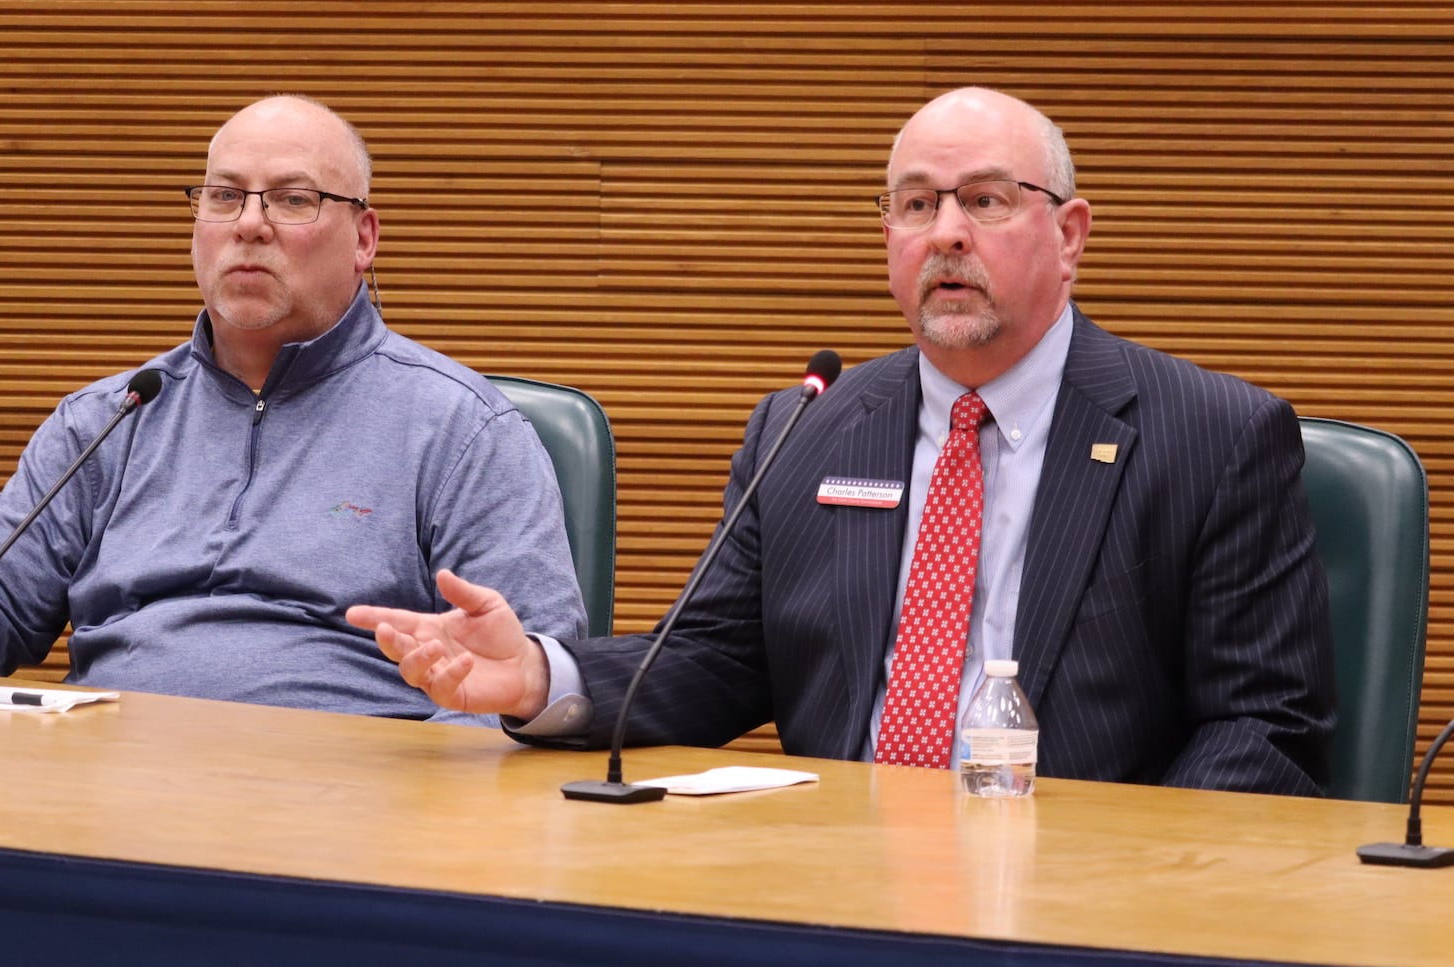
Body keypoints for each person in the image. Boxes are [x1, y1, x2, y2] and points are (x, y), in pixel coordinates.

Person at [347, 87, 1336, 793]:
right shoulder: (810, 426)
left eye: (985, 200)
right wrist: (538, 678)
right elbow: (718, 658)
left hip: (1082, 903)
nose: (946, 233)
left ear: (1069, 233)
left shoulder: (1213, 437)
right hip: (832, 884)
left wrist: (1113, 875)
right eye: (915, 205)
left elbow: (1265, 728)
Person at [0, 95, 586, 722]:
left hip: (348, 820)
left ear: (364, 238)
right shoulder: (113, 416)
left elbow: (528, 678)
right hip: (100, 799)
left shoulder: (462, 431)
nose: (249, 224)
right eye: (224, 195)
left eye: (293, 198)